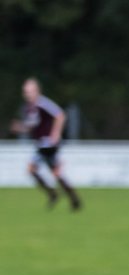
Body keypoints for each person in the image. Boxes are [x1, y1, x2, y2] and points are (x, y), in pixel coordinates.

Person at [11, 78, 81, 211]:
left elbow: (60, 115)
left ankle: (69, 198)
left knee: (54, 173)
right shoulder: (29, 109)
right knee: (35, 170)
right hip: (40, 145)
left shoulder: (43, 103)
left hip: (50, 145)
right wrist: (20, 127)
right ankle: (57, 195)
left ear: (37, 91)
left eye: (30, 91)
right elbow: (31, 127)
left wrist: (56, 134)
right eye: (25, 92)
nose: (27, 94)